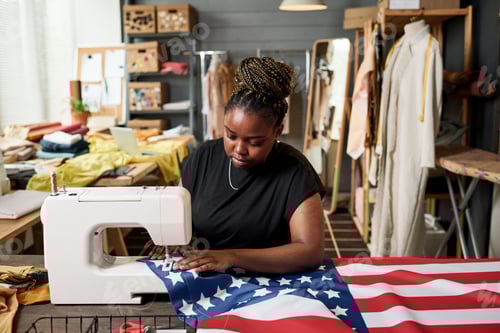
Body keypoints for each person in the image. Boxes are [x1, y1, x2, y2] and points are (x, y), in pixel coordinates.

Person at [174, 56, 326, 274]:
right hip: (210, 281)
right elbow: (177, 216)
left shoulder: (295, 170)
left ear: (277, 132)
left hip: (272, 285)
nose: (239, 149)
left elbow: (310, 252)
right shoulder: (203, 157)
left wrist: (232, 257)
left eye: (254, 142)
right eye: (231, 136)